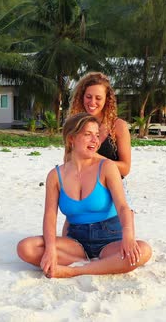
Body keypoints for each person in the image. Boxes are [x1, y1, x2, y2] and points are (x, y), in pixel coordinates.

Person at [17, 113, 151, 278]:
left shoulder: (107, 167)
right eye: (88, 134)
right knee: (25, 248)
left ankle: (74, 270)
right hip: (76, 242)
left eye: (96, 135)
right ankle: (97, 265)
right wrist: (50, 250)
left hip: (110, 238)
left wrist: (129, 237)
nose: (95, 140)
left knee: (143, 250)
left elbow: (123, 206)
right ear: (71, 138)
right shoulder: (55, 175)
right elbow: (50, 215)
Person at [63, 72, 133, 236]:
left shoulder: (118, 127)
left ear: (106, 100)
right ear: (82, 96)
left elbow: (125, 168)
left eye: (98, 98)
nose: (92, 102)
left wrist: (93, 157)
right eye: (88, 97)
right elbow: (68, 161)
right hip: (83, 185)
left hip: (114, 189)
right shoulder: (75, 125)